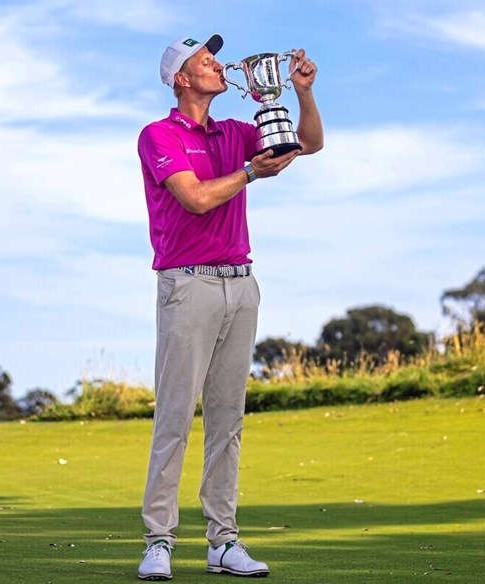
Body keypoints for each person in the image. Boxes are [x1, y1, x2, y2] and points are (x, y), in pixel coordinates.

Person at [136, 33, 323, 580]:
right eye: (205, 60)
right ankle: (158, 542)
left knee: (227, 419)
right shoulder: (159, 134)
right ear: (182, 79)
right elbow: (194, 198)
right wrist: (249, 174)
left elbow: (305, 145)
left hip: (241, 284)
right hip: (187, 285)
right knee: (175, 416)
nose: (218, 65)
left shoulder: (235, 131)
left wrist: (300, 95)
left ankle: (222, 541)